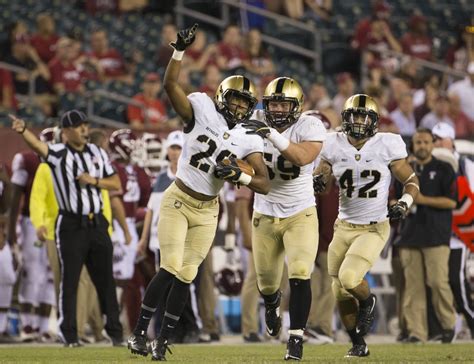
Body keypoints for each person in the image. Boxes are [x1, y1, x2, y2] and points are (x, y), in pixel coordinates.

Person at [127, 23, 270, 361]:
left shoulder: (249, 137)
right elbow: (170, 84)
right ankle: (138, 334)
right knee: (173, 264)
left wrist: (241, 175)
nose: (238, 108)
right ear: (222, 96)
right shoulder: (201, 107)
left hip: (208, 210)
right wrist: (179, 51)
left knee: (188, 273)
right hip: (178, 199)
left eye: (244, 103)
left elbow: (263, 181)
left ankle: (162, 342)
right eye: (234, 100)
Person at [313, 94, 419, 358]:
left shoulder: (387, 144)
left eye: (364, 116)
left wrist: (405, 203)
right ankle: (358, 343)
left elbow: (412, 181)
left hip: (373, 227)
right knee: (338, 289)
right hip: (344, 226)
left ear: (374, 121)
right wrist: (319, 178)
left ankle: (367, 300)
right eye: (354, 116)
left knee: (349, 279)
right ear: (345, 119)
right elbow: (324, 185)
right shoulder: (333, 144)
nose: (358, 121)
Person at [9, 110, 124, 347]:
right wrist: (23, 132)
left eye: (85, 125)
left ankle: (116, 334)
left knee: (106, 281)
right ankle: (69, 335)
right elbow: (40, 148)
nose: (84, 129)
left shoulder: (97, 152)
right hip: (71, 224)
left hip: (97, 223)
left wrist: (93, 181)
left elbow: (115, 183)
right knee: (69, 282)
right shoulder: (59, 154)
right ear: (67, 131)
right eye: (80, 126)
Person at [241, 77, 327, 360]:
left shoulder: (310, 125)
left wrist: (270, 134)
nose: (277, 109)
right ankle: (272, 303)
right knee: (266, 282)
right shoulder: (253, 121)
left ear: (297, 106)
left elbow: (302, 157)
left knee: (301, 272)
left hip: (299, 211)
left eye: (282, 103)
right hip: (264, 212)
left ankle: (296, 338)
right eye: (273, 103)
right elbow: (235, 153)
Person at [395, 128, 457, 344]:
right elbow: (393, 200)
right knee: (413, 289)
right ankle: (416, 332)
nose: (422, 146)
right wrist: (403, 203)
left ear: (432, 144)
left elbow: (451, 201)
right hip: (409, 236)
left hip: (436, 236)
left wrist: (420, 200)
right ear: (412, 145)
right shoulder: (404, 169)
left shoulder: (444, 168)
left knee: (438, 283)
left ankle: (449, 326)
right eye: (418, 142)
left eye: (426, 142)